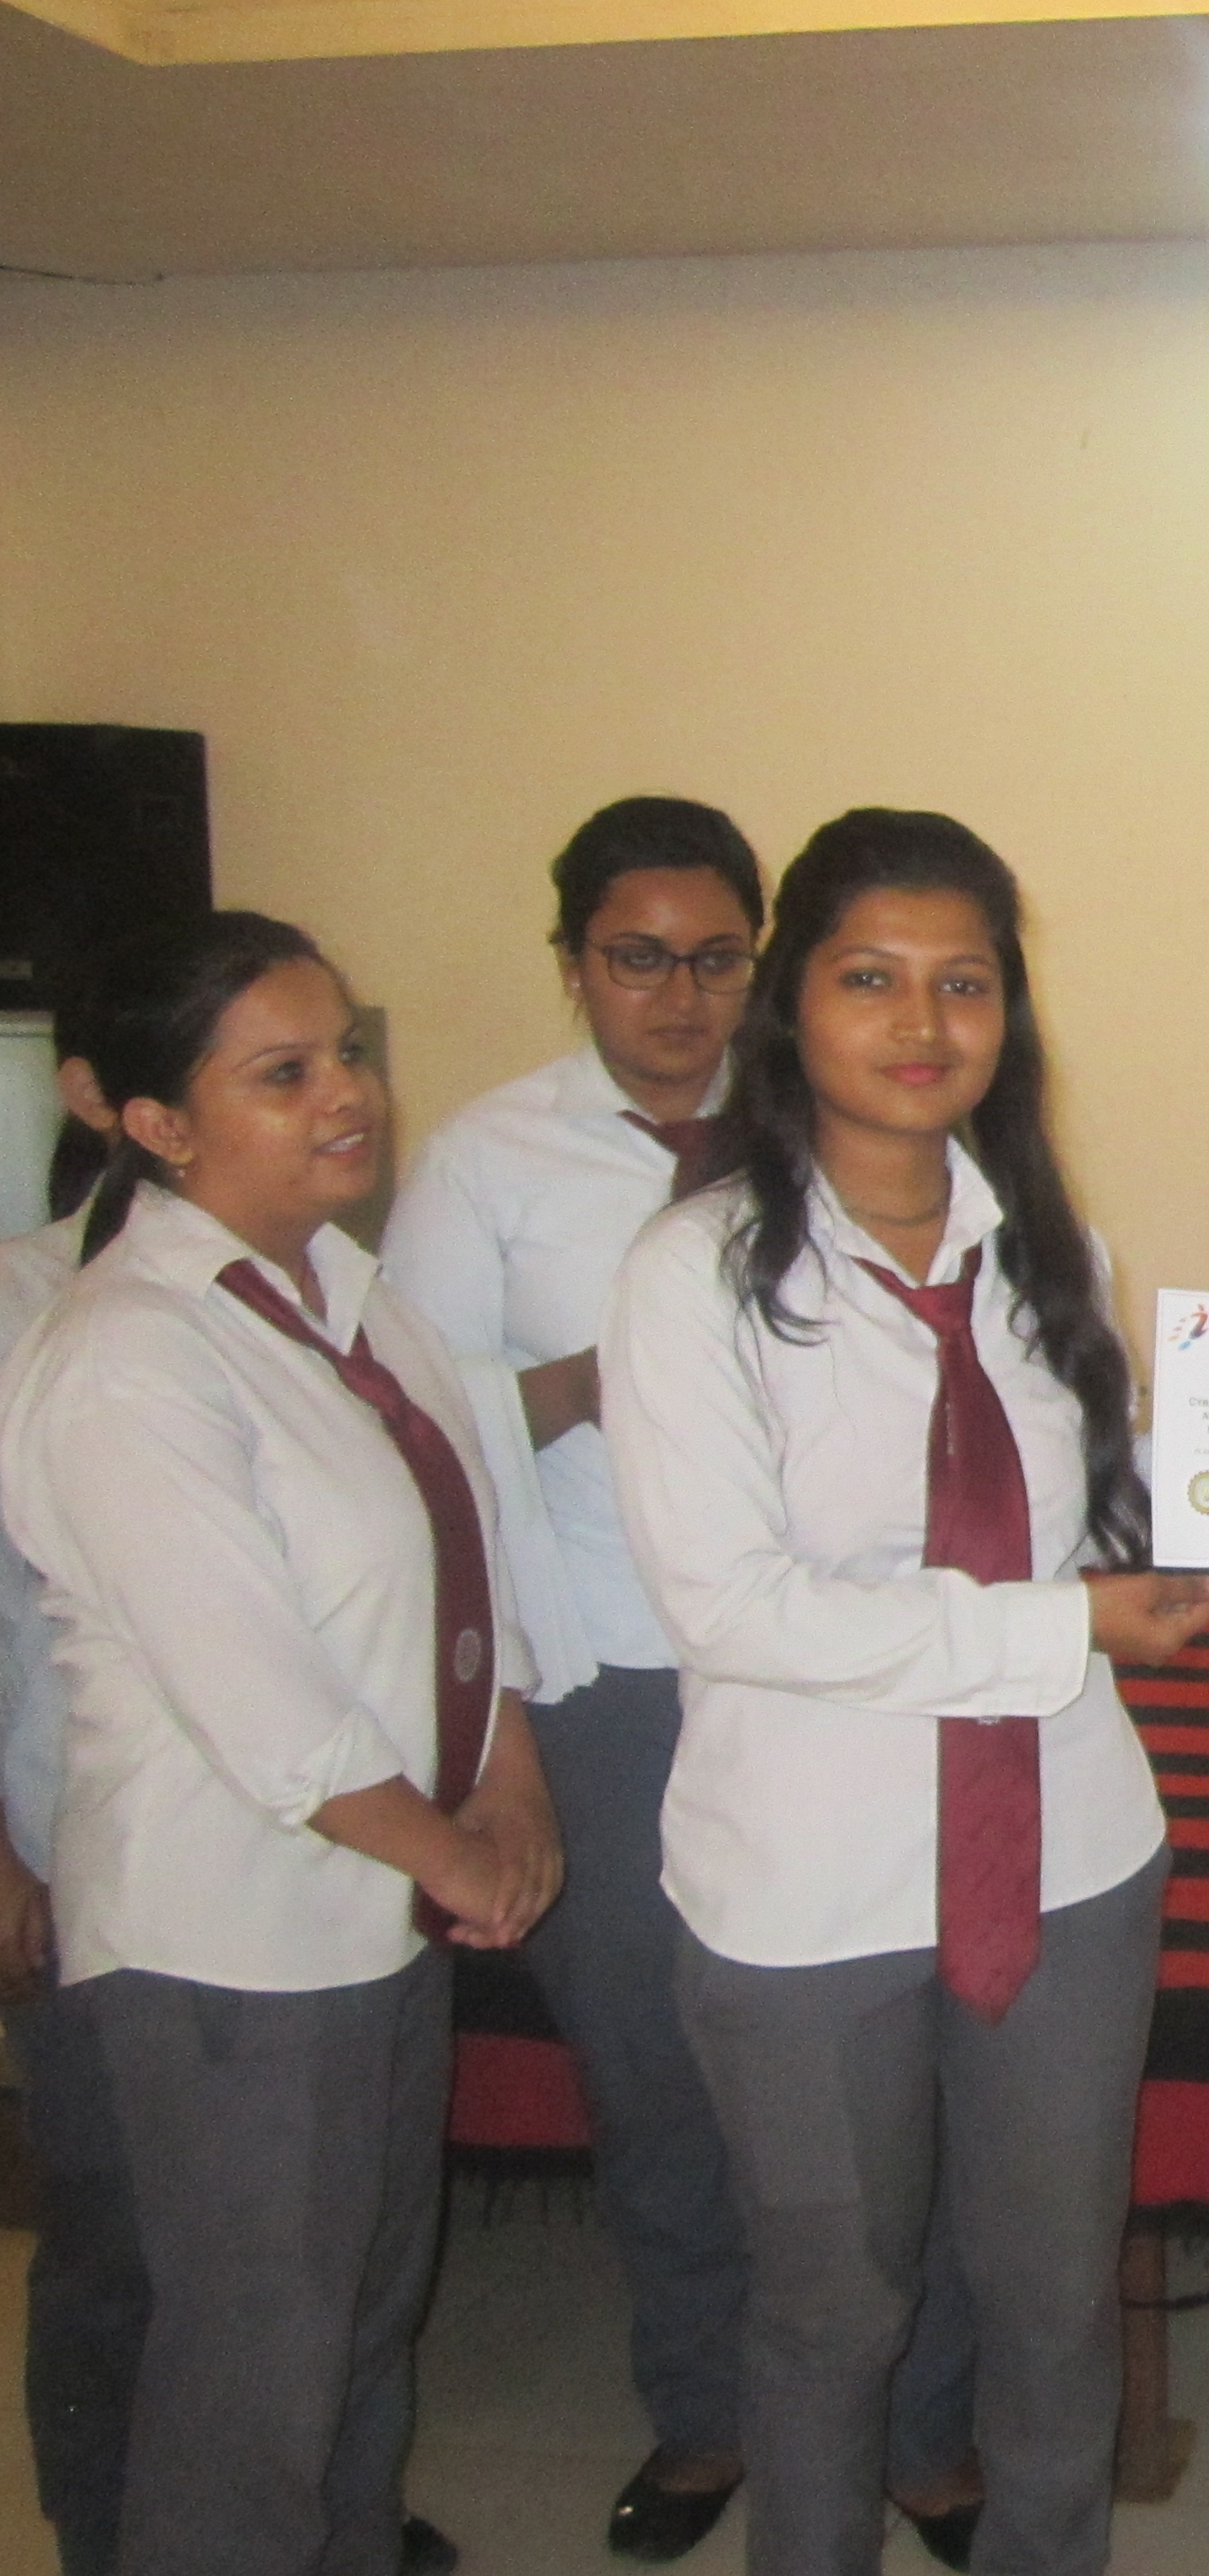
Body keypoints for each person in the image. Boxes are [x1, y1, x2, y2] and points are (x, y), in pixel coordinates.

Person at [599, 809, 1209, 2576]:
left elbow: (1096, 1518)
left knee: (1053, 2304)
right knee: (831, 2316)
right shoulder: (693, 1275)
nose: (923, 1023)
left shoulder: (1050, 1251)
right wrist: (1060, 1627)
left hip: (1070, 1858)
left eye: (965, 983)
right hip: (809, 1887)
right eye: (871, 978)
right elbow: (732, 1605)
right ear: (789, 1003)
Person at [384, 796, 981, 2564]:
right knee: (656, 2077)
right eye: (637, 958)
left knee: (900, 2080)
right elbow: (413, 1433)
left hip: (836, 1672)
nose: (680, 997)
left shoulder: (848, 1123)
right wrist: (610, 1373)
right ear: (572, 961)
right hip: (614, 1679)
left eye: (720, 959)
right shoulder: (491, 1163)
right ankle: (708, 2412)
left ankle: (924, 2436)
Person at [0, 910, 562, 2576]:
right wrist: (455, 1852)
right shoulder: (126, 1350)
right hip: (227, 1945)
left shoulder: (352, 1300)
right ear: (155, 1124)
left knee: (361, 2329)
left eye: (349, 1054)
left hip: (371, 1914)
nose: (349, 1096)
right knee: (256, 2381)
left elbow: (467, 1568)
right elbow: (255, 1693)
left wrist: (511, 1776)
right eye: (284, 1073)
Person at [0, 1024, 145, 2576]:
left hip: (296, 1854)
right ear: (104, 1095)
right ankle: (105, 2534)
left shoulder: (331, 1293)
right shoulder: (21, 1302)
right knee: (114, 2231)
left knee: (283, 2244)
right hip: (74, 1831)